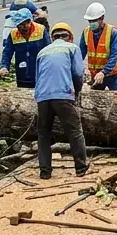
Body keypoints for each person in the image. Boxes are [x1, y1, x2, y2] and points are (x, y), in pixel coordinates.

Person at [33, 22, 88, 179]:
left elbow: (37, 78)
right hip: (63, 95)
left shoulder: (42, 52)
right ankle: (81, 168)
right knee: (75, 131)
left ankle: (45, 172)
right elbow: (78, 74)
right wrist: (76, 92)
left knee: (43, 134)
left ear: (52, 38)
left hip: (43, 97)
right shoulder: (72, 48)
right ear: (70, 37)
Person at [0, 9, 50, 89]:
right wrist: (4, 67)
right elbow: (7, 53)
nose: (21, 28)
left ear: (29, 22)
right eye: (18, 25)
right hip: (22, 74)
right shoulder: (13, 34)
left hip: (39, 73)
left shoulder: (41, 30)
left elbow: (48, 51)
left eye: (23, 25)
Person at [80, 2, 117, 91]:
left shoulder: (113, 32)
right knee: (96, 101)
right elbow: (81, 54)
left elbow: (114, 55)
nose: (92, 23)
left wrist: (103, 72)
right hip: (96, 75)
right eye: (90, 21)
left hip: (112, 74)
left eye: (94, 20)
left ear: (102, 18)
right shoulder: (86, 32)